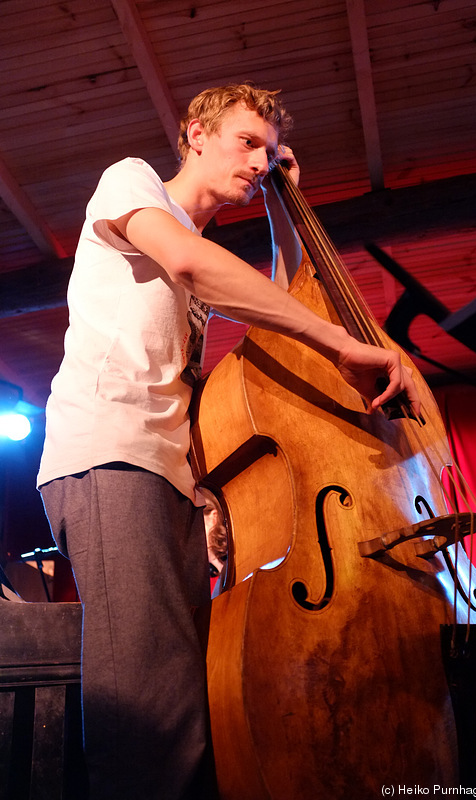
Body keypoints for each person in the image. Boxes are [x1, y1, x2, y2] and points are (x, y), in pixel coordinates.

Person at [37, 83, 420, 799]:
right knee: (150, 707)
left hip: (168, 476)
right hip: (110, 455)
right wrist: (340, 343)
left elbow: (276, 302)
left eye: (271, 152)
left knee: (192, 695)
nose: (259, 160)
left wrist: (284, 206)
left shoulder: (205, 251)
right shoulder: (132, 182)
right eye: (248, 143)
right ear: (195, 134)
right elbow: (189, 263)